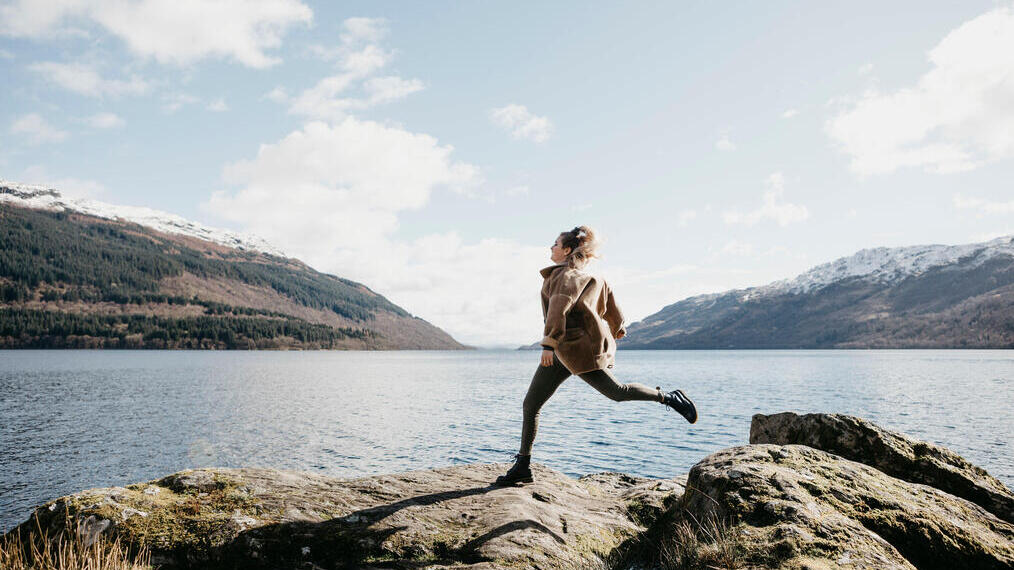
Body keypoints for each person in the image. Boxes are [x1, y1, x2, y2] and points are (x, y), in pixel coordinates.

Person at [494, 226, 698, 487]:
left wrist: (548, 344)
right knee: (531, 404)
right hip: (564, 351)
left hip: (575, 350)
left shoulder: (565, 276)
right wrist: (617, 327)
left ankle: (668, 397)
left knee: (617, 391)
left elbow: (559, 308)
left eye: (555, 244)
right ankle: (523, 466)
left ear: (567, 250)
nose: (551, 248)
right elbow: (613, 307)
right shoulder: (593, 277)